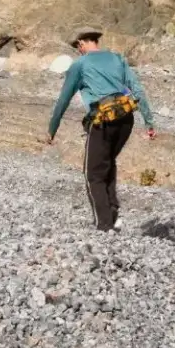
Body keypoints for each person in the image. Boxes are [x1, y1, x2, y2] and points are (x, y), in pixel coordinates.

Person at [44, 29, 156, 231]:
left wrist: (52, 129)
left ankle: (104, 225)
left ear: (81, 43)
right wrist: (149, 122)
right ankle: (112, 214)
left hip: (103, 121)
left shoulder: (80, 64)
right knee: (107, 163)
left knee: (93, 174)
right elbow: (137, 90)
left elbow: (63, 99)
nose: (78, 51)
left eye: (78, 47)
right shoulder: (117, 58)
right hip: (126, 120)